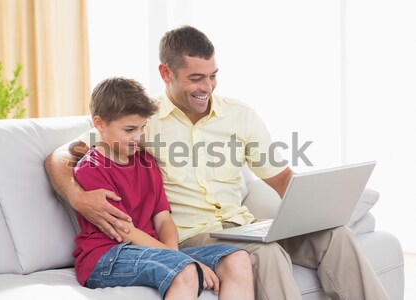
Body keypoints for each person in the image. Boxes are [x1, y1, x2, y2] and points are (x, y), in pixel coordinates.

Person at [45, 26, 389, 300]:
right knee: (267, 255)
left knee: (336, 235)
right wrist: (77, 197)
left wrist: (311, 214)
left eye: (212, 76)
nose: (206, 87)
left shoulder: (240, 115)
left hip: (245, 227)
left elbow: (282, 180)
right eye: (196, 78)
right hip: (197, 237)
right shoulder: (142, 121)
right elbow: (60, 156)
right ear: (166, 73)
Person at [71, 76, 254, 300]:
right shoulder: (90, 169)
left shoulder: (146, 162)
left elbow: (163, 219)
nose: (137, 137)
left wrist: (175, 254)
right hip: (107, 256)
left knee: (237, 259)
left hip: (154, 250)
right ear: (99, 124)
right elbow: (123, 230)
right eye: (129, 130)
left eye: (142, 128)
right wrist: (181, 260)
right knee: (186, 270)